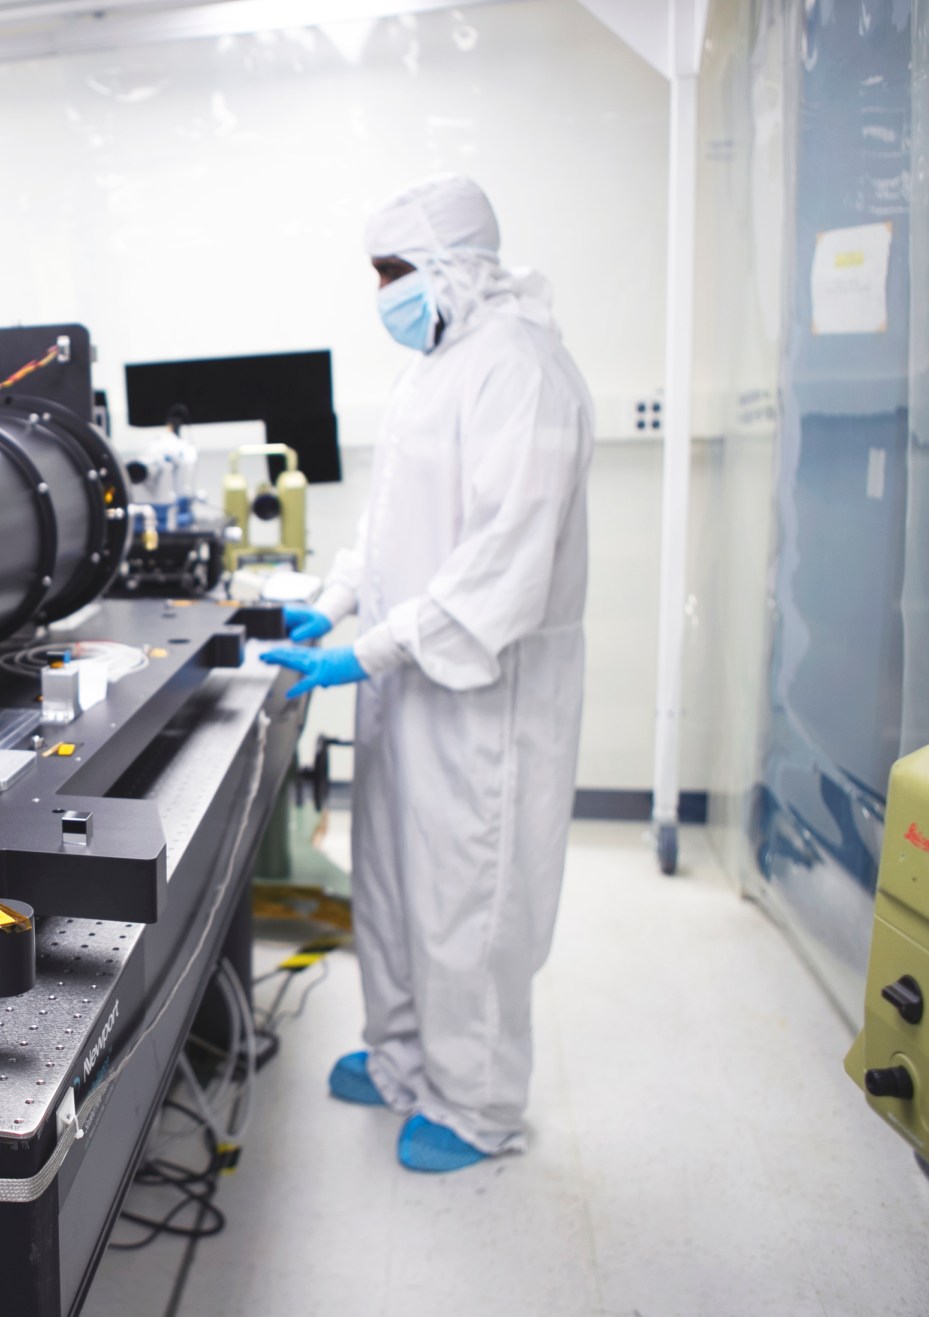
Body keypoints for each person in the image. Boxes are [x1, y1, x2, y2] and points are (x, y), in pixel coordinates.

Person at [260, 175, 593, 1173]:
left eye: (391, 272)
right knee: (395, 886)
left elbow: (502, 560)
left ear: (450, 265)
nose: (382, 294)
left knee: (467, 903)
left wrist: (359, 651)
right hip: (406, 680)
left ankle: (476, 1105)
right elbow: (386, 527)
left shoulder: (520, 368)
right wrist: (333, 603)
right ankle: (404, 1061)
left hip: (481, 696)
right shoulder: (433, 369)